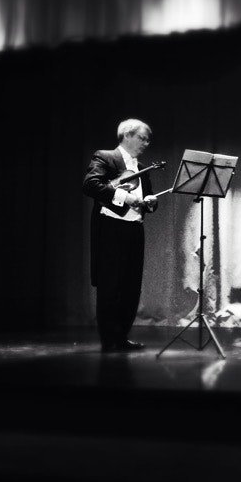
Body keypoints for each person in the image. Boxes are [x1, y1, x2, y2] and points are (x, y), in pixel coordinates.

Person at [82, 119, 159, 352]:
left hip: (134, 229)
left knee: (131, 286)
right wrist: (126, 197)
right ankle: (109, 340)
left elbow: (147, 198)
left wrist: (150, 202)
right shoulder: (105, 157)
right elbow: (90, 185)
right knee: (110, 286)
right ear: (127, 135)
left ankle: (121, 337)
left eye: (148, 140)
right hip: (111, 230)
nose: (146, 143)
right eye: (142, 138)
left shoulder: (141, 167)